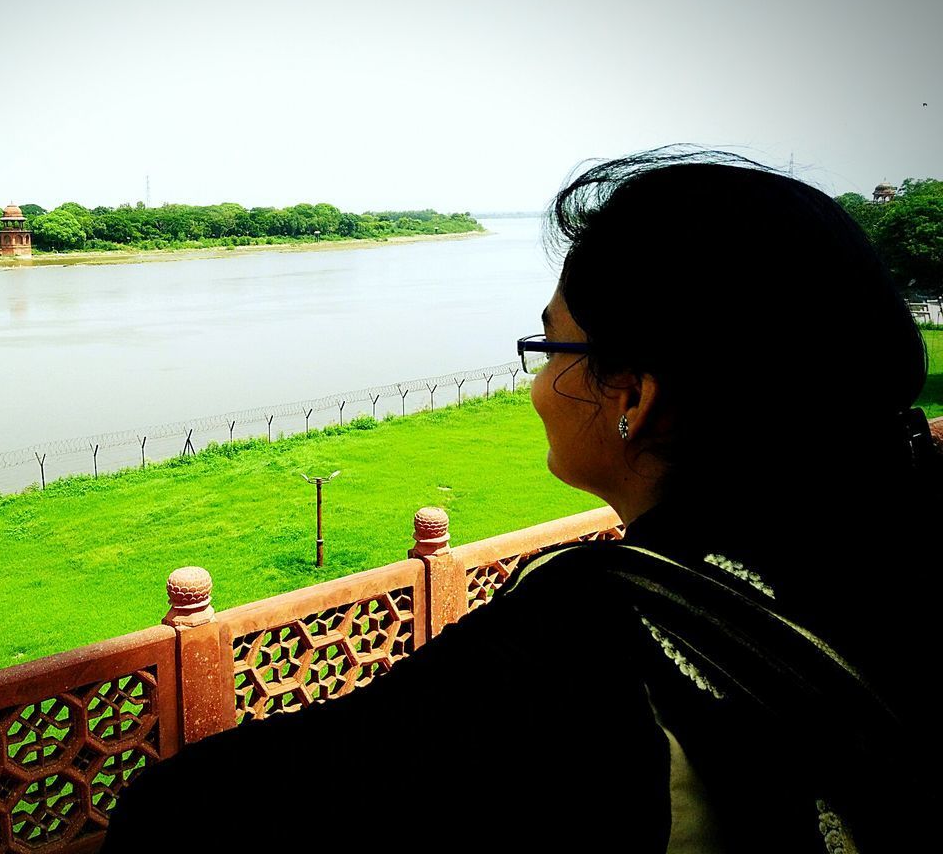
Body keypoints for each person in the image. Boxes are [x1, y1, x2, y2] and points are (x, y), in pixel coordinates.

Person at [103, 149, 940, 852]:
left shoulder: (596, 629)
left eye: (552, 346)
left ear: (633, 397)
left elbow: (186, 813)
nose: (538, 383)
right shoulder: (910, 518)